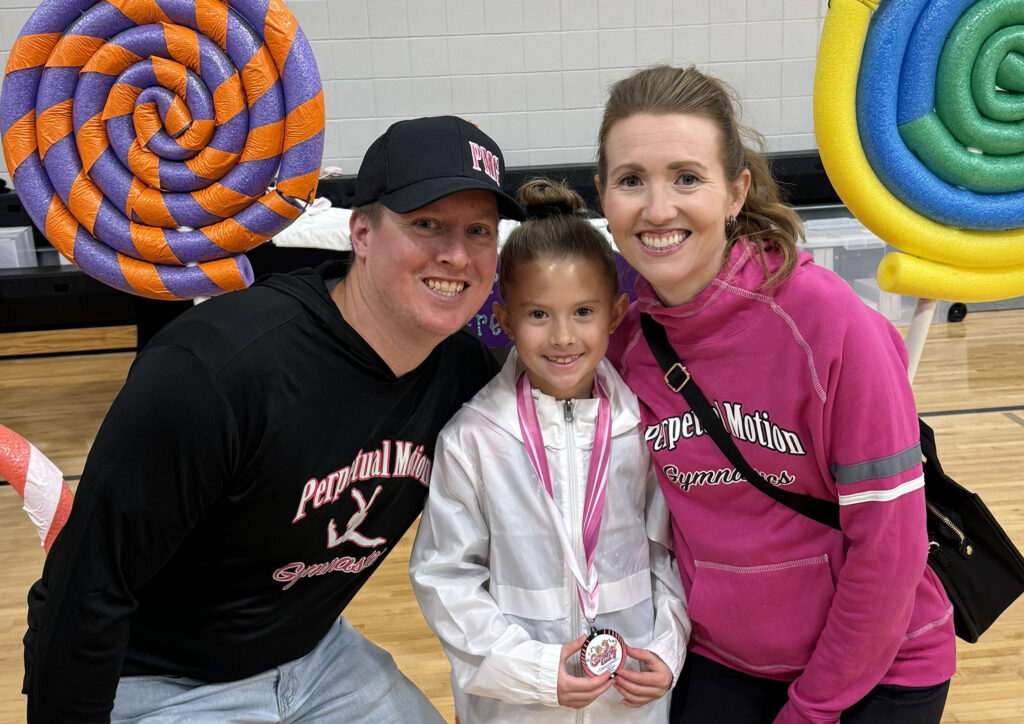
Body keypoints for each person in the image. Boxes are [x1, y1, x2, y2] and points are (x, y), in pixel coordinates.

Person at [23, 115, 525, 723]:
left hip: (316, 657)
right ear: (361, 232)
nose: (456, 254)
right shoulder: (217, 371)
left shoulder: (465, 375)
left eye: (478, 231)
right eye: (426, 224)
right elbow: (86, 588)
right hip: (158, 677)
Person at [595, 65, 956, 724]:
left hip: (879, 665)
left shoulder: (829, 325)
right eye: (630, 181)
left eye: (686, 177)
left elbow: (890, 548)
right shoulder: (624, 341)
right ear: (603, 196)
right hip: (724, 658)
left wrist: (811, 712)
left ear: (736, 192)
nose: (657, 208)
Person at [409, 178, 690, 723]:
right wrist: (532, 671)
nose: (562, 336)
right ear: (507, 320)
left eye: (583, 312)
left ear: (615, 313)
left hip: (628, 700)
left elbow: (671, 557)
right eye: (538, 315)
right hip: (517, 704)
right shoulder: (474, 439)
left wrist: (668, 649)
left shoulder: (645, 428)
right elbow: (446, 578)